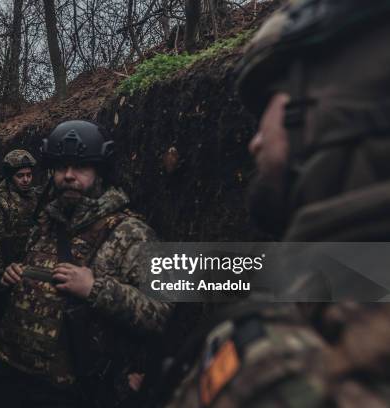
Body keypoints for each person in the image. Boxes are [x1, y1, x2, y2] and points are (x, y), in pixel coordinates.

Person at [158, 0, 390, 406]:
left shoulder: (287, 362)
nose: (255, 140)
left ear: (329, 106)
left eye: (268, 103)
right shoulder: (322, 286)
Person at [0, 120, 173, 407]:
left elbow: (162, 313)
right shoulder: (46, 222)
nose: (68, 176)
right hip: (14, 379)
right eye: (61, 168)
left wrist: (94, 288)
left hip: (76, 391)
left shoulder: (133, 231)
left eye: (80, 167)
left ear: (100, 172)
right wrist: (17, 274)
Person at [0, 149, 40, 331]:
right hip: (5, 271)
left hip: (29, 267)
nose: (26, 180)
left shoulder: (35, 196)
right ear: (10, 177)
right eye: (20, 176)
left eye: (29, 175)